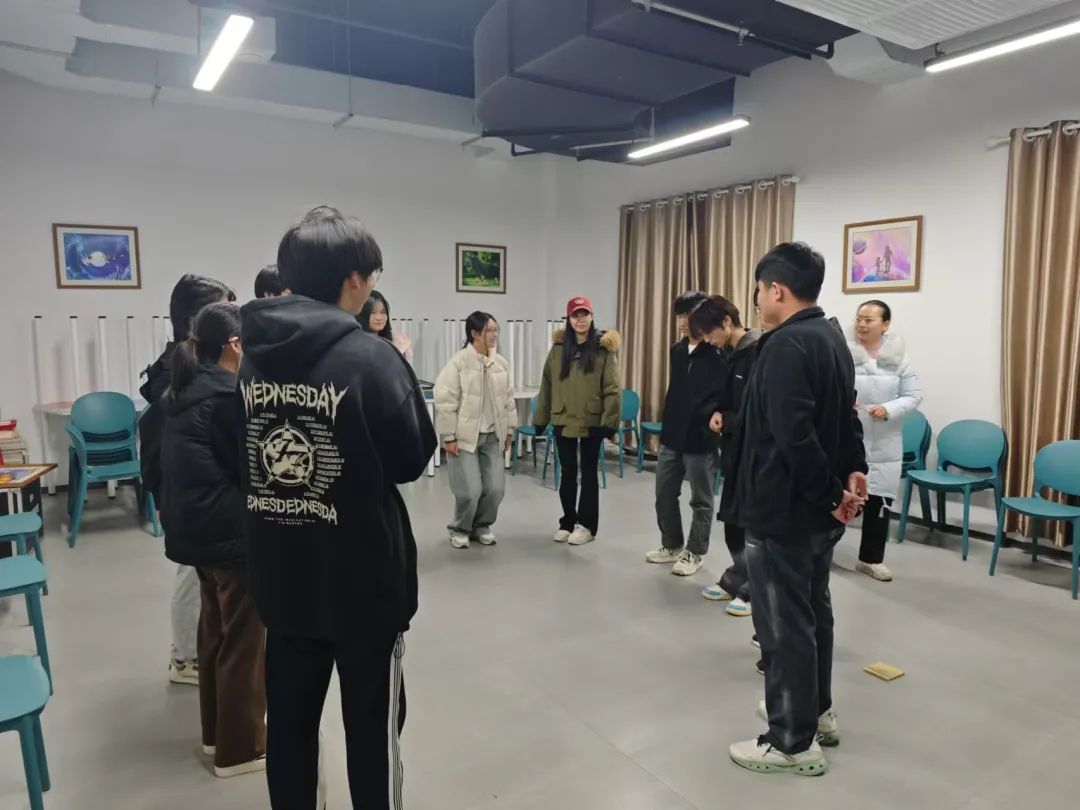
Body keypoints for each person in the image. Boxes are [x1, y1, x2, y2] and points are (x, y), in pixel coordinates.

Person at [239, 206, 436, 808]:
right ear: (354, 279)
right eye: (371, 275)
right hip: (362, 584)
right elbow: (411, 458)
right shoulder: (371, 357)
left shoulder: (253, 355)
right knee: (371, 730)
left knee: (291, 727)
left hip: (281, 574)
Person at [725, 242, 867, 777]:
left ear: (777, 290)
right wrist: (853, 472)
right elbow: (845, 418)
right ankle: (816, 711)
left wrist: (831, 494)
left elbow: (795, 436)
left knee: (783, 625)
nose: (758, 300)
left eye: (760, 290)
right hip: (816, 512)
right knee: (812, 613)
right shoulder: (830, 336)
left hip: (784, 509)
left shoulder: (785, 345)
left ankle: (790, 740)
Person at [159, 301, 266, 778]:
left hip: (195, 532)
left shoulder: (182, 390)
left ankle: (215, 735)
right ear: (235, 346)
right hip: (229, 534)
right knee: (243, 640)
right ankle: (240, 751)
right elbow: (247, 469)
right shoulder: (225, 399)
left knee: (215, 632)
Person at [139, 274, 235, 686]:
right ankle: (185, 657)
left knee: (200, 578)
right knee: (192, 578)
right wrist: (162, 495)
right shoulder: (177, 369)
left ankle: (195, 652)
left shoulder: (192, 363)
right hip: (187, 493)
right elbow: (158, 442)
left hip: (192, 492)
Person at [644, 291, 726, 577]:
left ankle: (696, 551)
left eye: (687, 315)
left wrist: (711, 422)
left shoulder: (717, 352)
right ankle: (672, 544)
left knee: (701, 500)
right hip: (673, 435)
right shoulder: (677, 350)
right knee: (664, 493)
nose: (682, 322)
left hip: (700, 439)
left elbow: (723, 395)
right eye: (679, 316)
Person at [691, 295, 763, 616]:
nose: (708, 340)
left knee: (751, 527)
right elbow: (726, 397)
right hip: (733, 450)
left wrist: (729, 419)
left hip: (754, 454)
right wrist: (718, 412)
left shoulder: (758, 352)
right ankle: (736, 577)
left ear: (727, 322)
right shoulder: (729, 353)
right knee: (732, 521)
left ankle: (753, 590)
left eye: (710, 332)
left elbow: (758, 408)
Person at [534, 296, 620, 547]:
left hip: (592, 421)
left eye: (585, 315)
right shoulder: (558, 349)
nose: (581, 320)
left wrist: (609, 422)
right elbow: (547, 385)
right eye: (575, 315)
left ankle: (587, 526)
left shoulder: (604, 350)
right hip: (563, 418)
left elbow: (612, 388)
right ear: (569, 319)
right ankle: (568, 521)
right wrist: (541, 419)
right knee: (568, 472)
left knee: (589, 473)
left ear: (591, 317)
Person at [848, 300, 923, 582]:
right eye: (859, 318)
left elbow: (913, 395)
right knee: (837, 498)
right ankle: (819, 554)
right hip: (849, 437)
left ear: (885, 324)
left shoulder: (898, 359)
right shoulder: (844, 352)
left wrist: (888, 409)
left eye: (869, 320)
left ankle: (870, 560)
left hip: (884, 441)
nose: (861, 324)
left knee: (878, 502)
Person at [434, 312, 518, 549]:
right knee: (470, 490)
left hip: (493, 436)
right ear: (474, 333)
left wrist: (509, 430)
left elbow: (508, 400)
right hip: (464, 437)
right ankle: (460, 528)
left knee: (495, 489)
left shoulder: (500, 364)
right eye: (488, 330)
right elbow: (445, 400)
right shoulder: (459, 363)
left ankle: (481, 525)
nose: (493, 335)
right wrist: (448, 436)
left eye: (495, 330)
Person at [359, 290, 413, 362]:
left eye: (383, 312)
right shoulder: (356, 343)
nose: (379, 318)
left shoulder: (397, 341)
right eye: (373, 312)